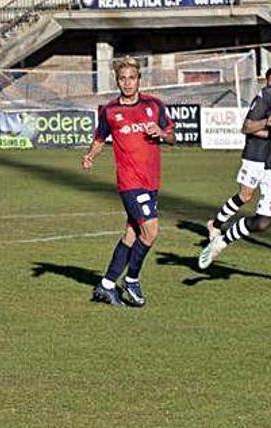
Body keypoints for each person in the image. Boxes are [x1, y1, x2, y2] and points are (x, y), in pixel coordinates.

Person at [82, 55, 175, 307]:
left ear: (139, 80)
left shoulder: (154, 106)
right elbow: (100, 138)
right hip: (130, 182)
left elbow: (172, 136)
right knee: (151, 231)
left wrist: (162, 133)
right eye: (122, 79)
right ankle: (131, 279)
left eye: (131, 78)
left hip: (151, 181)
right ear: (117, 81)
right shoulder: (110, 111)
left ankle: (106, 285)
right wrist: (90, 155)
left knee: (132, 235)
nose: (127, 83)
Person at [199, 81, 271, 269]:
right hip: (255, 155)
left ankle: (221, 239)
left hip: (269, 161)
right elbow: (246, 127)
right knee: (245, 195)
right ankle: (216, 225)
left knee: (263, 222)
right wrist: (266, 123)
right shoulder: (265, 97)